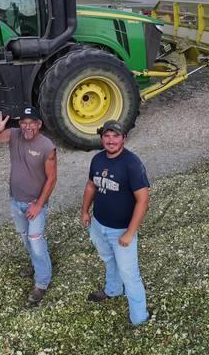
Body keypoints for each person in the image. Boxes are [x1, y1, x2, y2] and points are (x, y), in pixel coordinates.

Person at [0, 107, 57, 304]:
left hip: (35, 204)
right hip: (16, 201)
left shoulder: (47, 146)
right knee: (26, 239)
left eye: (32, 122)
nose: (27, 126)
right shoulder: (14, 135)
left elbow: (51, 178)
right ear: (20, 124)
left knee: (36, 240)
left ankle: (42, 282)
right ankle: (37, 265)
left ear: (39, 124)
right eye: (24, 122)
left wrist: (39, 205)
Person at [81, 120, 150, 325]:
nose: (111, 140)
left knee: (130, 274)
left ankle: (139, 318)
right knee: (108, 259)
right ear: (102, 138)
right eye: (107, 136)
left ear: (123, 139)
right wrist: (85, 211)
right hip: (98, 223)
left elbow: (143, 200)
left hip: (121, 230)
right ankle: (113, 290)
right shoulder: (98, 159)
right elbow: (91, 185)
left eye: (115, 136)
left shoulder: (132, 164)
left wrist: (130, 232)